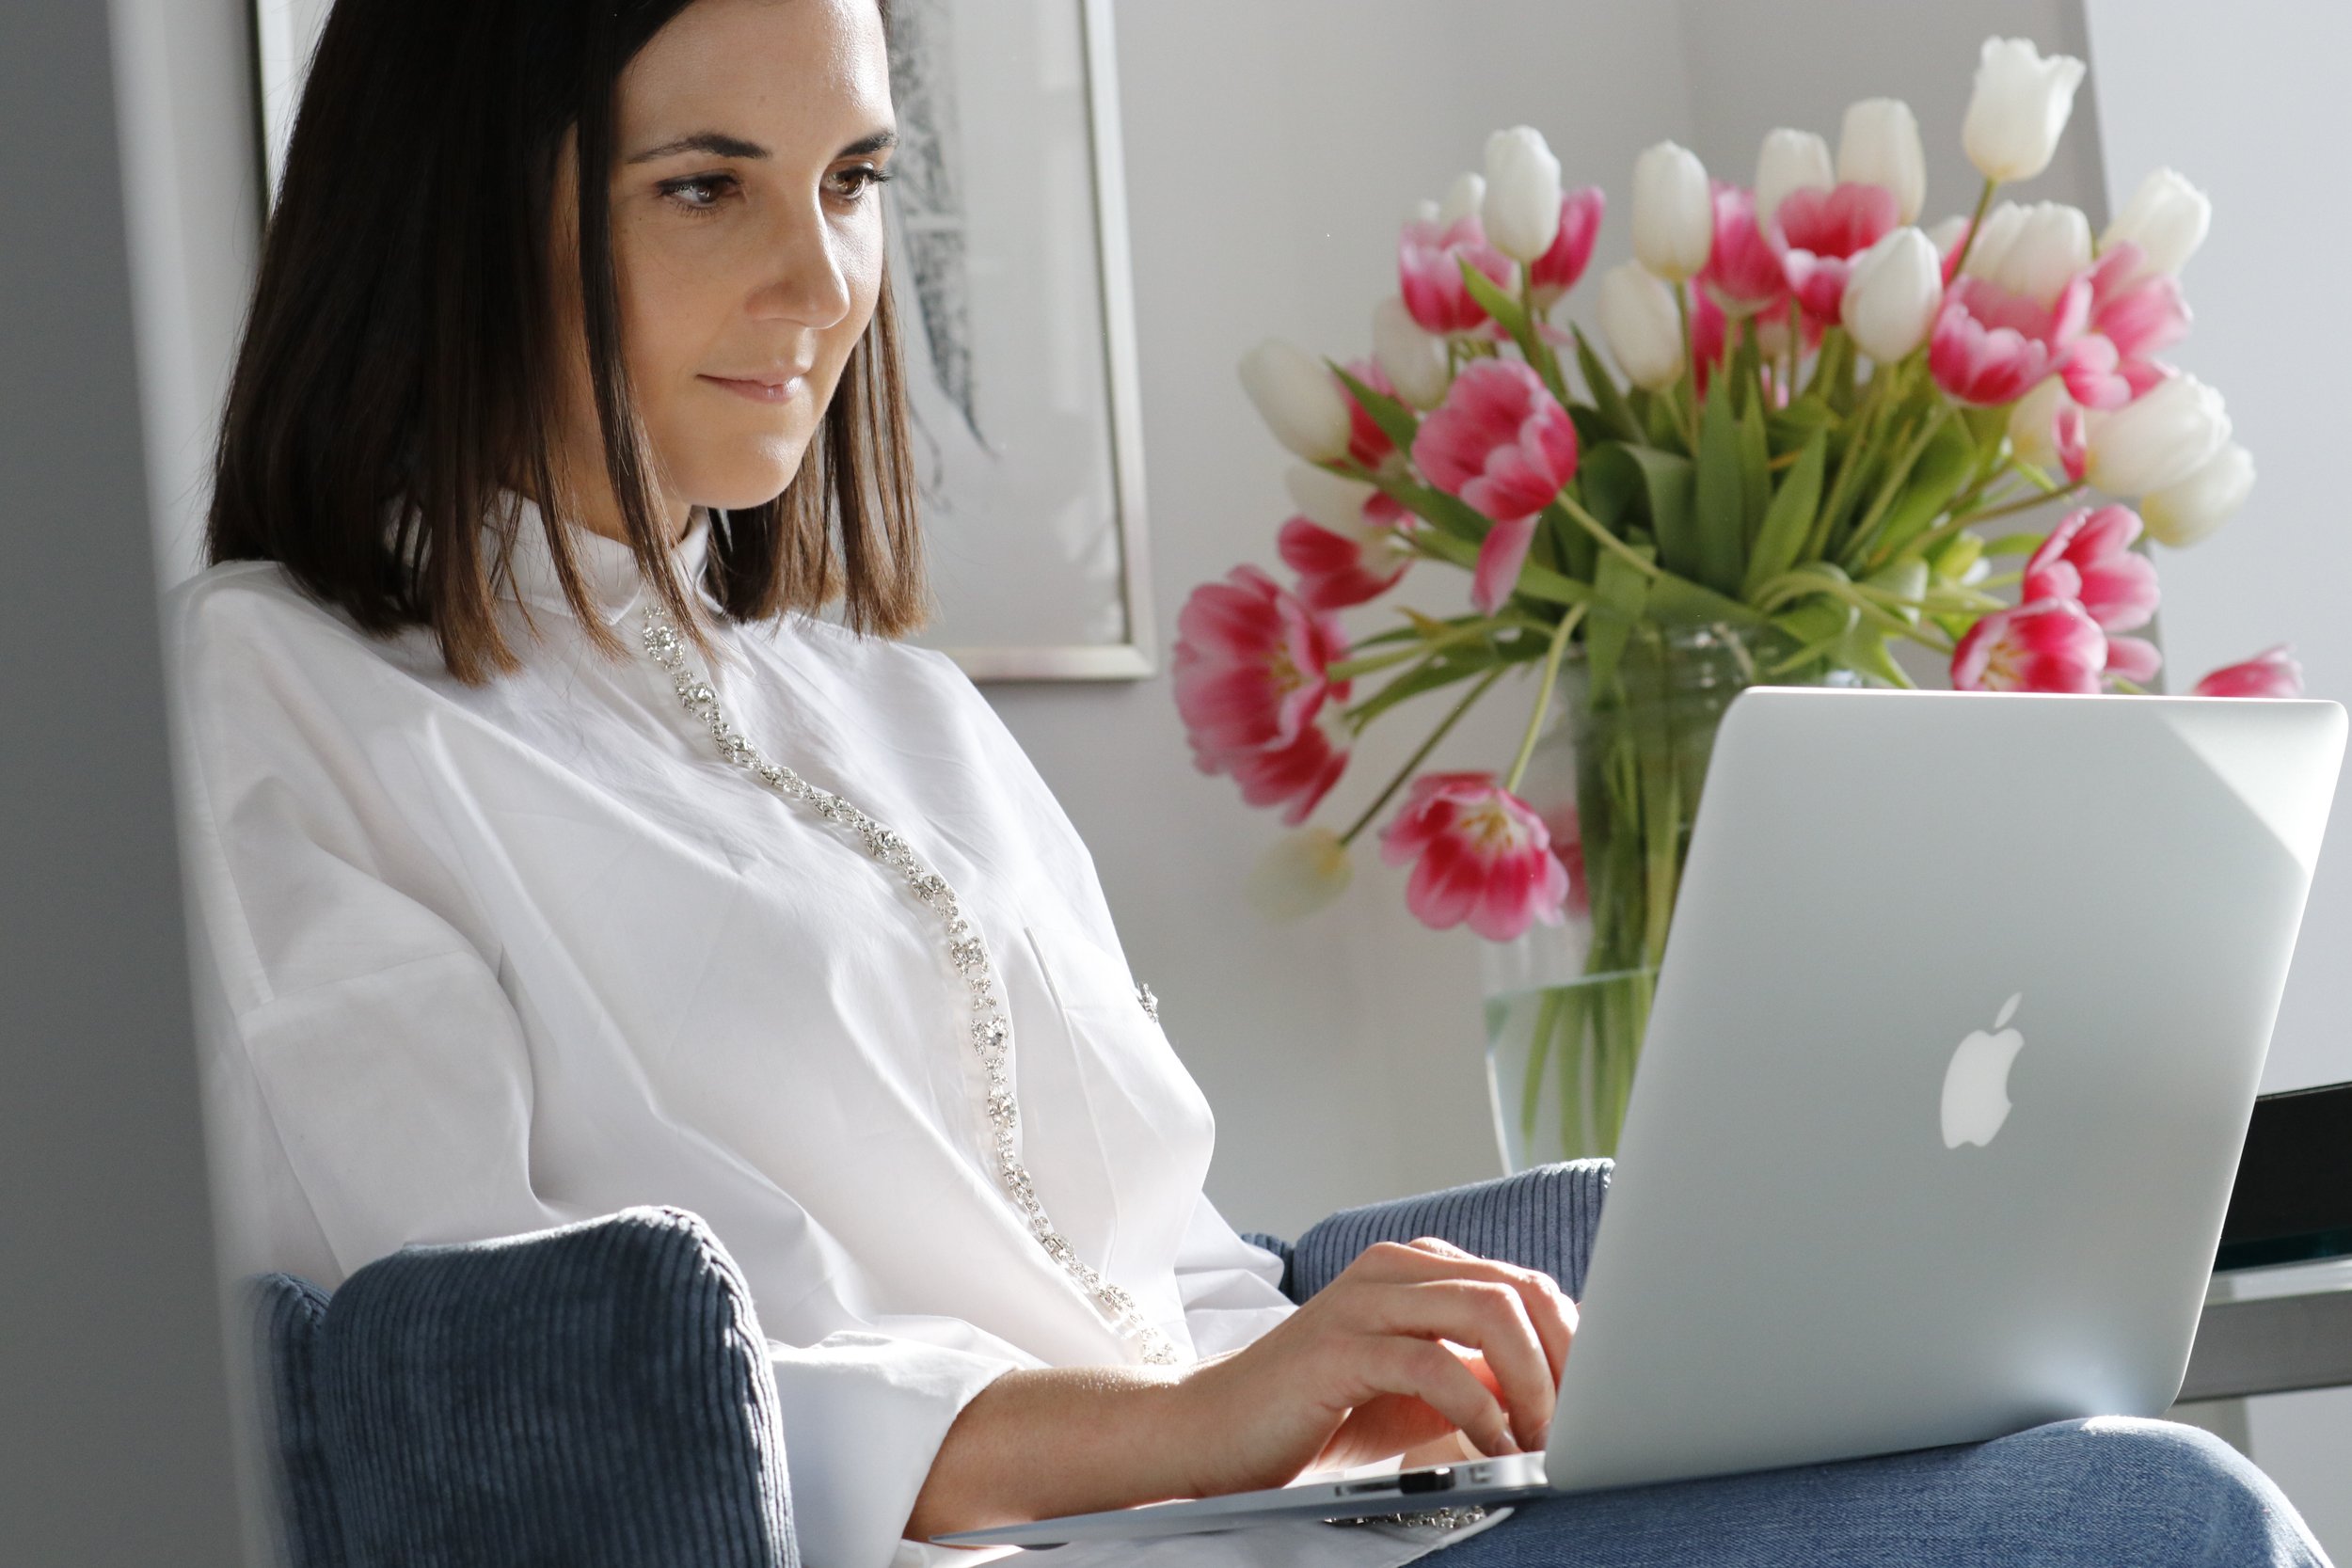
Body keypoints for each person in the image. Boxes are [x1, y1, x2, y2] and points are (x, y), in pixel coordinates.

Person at [167, 2, 2329, 1565]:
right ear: (458, 210)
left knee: (2115, 1494)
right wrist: (1193, 1425)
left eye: (851, 183)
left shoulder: (895, 714)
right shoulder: (280, 694)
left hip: (1286, 1531)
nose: (821, 282)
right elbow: (498, 1391)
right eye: (703, 186)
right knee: (2142, 1525)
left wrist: (1380, 1380)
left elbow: (1170, 1269)